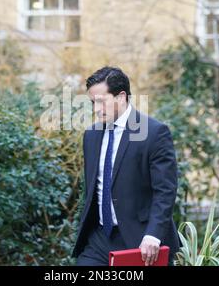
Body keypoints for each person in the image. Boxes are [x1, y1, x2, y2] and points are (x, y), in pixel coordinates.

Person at [72, 66, 180, 266]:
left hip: (142, 241)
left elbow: (165, 190)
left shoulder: (154, 133)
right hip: (99, 239)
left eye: (101, 102)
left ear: (121, 97)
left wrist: (153, 235)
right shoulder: (91, 135)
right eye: (92, 103)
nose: (96, 109)